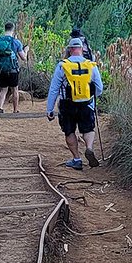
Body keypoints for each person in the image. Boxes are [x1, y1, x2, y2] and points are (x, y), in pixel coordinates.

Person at [46, 36, 103, 168]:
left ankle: (77, 159)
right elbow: (99, 88)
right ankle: (89, 147)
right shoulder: (90, 66)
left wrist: (50, 109)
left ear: (70, 50)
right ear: (82, 49)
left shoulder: (62, 66)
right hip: (86, 104)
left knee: (69, 131)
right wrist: (91, 99)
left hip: (68, 105)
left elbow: (54, 89)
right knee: (88, 128)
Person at [0, 22, 29, 115]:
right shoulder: (16, 42)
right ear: (13, 29)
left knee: (3, 89)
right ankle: (15, 110)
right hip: (13, 70)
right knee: (15, 89)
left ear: (5, 29)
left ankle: (0, 108)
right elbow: (23, 58)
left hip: (1, 69)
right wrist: (26, 50)